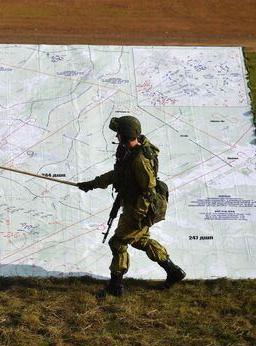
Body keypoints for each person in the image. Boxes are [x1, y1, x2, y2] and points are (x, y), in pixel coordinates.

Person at [77, 116, 185, 297]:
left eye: (118, 132)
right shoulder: (128, 151)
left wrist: (138, 215)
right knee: (140, 241)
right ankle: (173, 271)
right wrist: (93, 183)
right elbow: (117, 174)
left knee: (118, 242)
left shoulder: (140, 159)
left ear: (124, 135)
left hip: (139, 209)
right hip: (131, 204)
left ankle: (115, 286)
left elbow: (148, 190)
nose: (116, 135)